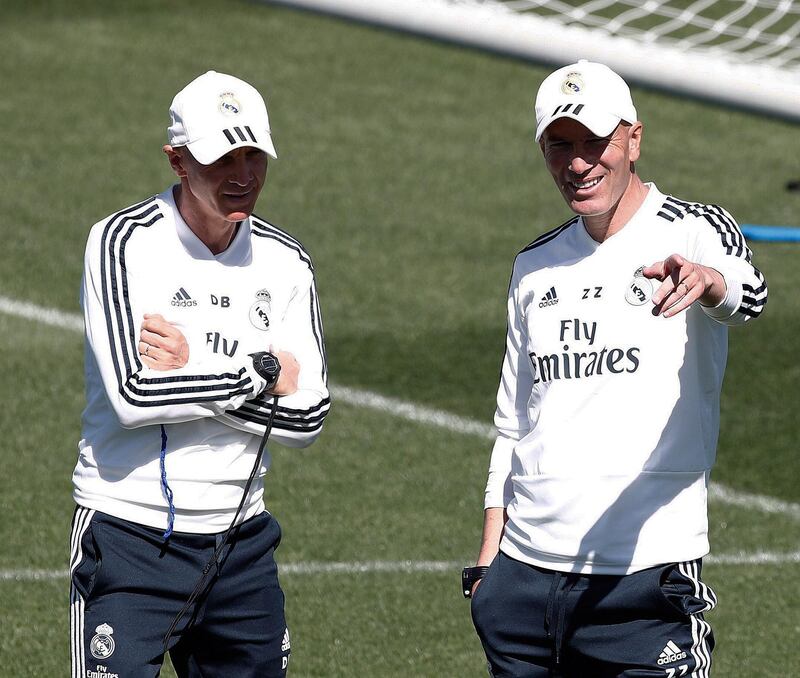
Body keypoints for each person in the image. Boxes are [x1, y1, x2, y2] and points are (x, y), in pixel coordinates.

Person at [465, 60, 767, 677]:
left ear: (634, 138)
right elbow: (514, 422)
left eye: (595, 143)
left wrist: (709, 283)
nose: (579, 163)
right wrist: (490, 561)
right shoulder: (535, 265)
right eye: (560, 146)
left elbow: (750, 294)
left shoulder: (694, 229)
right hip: (523, 583)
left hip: (644, 581)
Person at [69, 70, 330, 677]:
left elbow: (311, 415)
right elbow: (136, 393)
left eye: (254, 155)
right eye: (221, 159)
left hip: (241, 547)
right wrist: (260, 373)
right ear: (178, 160)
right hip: (127, 537)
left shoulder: (288, 264)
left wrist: (195, 369)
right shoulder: (121, 242)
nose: (242, 174)